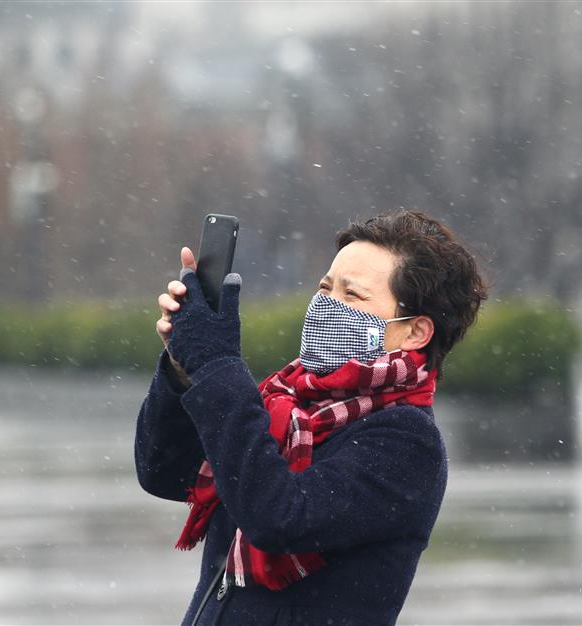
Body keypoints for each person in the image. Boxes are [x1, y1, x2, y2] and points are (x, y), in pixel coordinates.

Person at [135, 210, 487, 625]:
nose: (326, 304)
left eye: (351, 295)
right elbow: (164, 472)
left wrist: (216, 363)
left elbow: (279, 516)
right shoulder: (285, 401)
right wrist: (183, 365)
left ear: (414, 332)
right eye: (325, 287)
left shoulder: (407, 441)